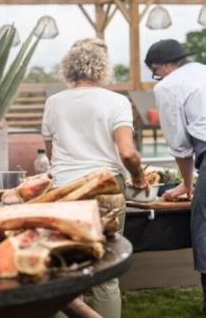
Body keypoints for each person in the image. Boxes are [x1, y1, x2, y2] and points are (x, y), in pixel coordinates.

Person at [42, 38, 148, 318]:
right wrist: (138, 176)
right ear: (102, 69)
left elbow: (52, 153)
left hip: (64, 190)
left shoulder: (53, 102)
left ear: (69, 69)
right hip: (105, 187)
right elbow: (127, 151)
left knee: (63, 268)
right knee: (105, 270)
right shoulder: (116, 101)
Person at [145, 39, 206, 311]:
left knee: (204, 226)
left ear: (167, 65)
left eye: (156, 71)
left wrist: (187, 185)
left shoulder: (168, 86)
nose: (156, 77)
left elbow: (180, 145)